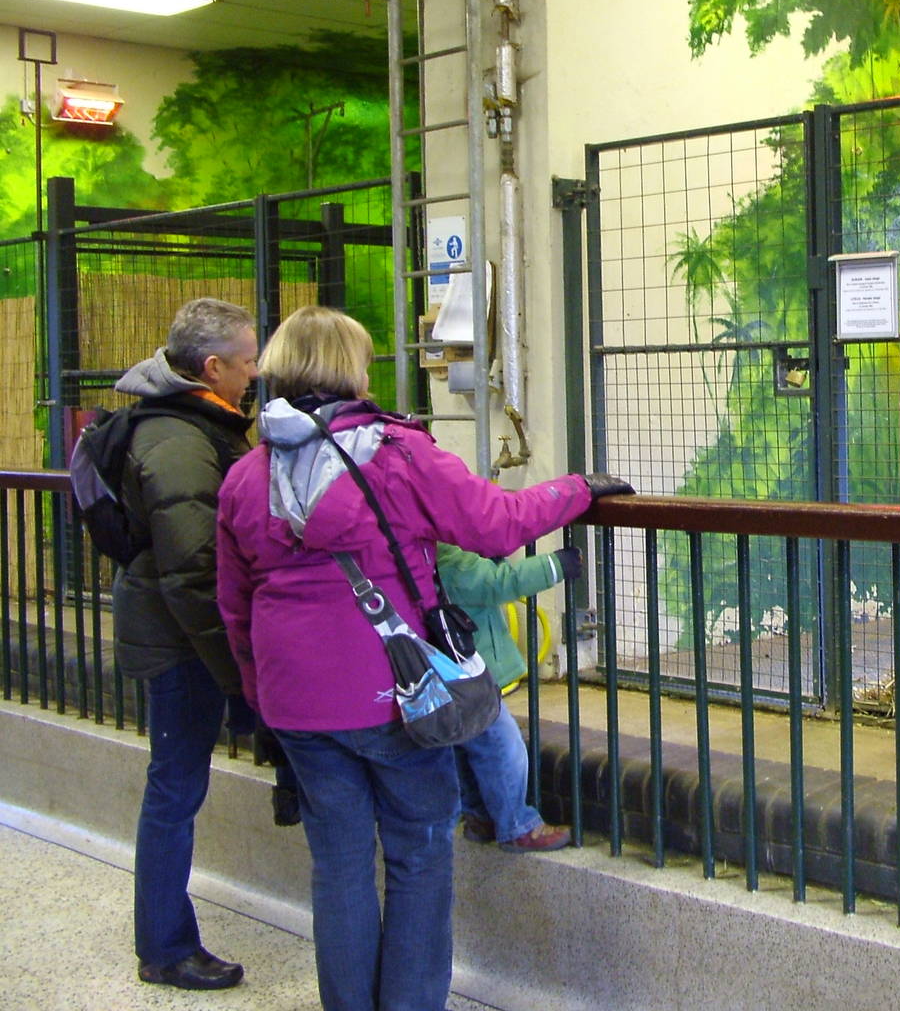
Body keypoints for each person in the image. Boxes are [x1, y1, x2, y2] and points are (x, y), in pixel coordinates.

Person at [215, 305, 632, 1011]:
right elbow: (497, 525)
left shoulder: (247, 477)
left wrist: (266, 699)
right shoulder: (399, 454)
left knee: (339, 869)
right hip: (398, 697)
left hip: (299, 708)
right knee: (417, 855)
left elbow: (234, 607)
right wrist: (578, 489)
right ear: (353, 371)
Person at [115, 297, 258, 992]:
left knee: (173, 786)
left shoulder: (196, 423)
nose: (254, 373)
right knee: (173, 790)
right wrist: (234, 671)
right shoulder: (178, 439)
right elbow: (193, 571)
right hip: (181, 645)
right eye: (248, 361)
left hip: (179, 635)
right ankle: (167, 948)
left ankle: (164, 937)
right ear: (211, 366)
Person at [437, 542, 582, 851]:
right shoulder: (448, 557)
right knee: (502, 745)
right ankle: (517, 825)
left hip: (443, 670)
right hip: (468, 673)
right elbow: (498, 582)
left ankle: (480, 817)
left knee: (462, 747)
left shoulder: (426, 550)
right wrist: (554, 566)